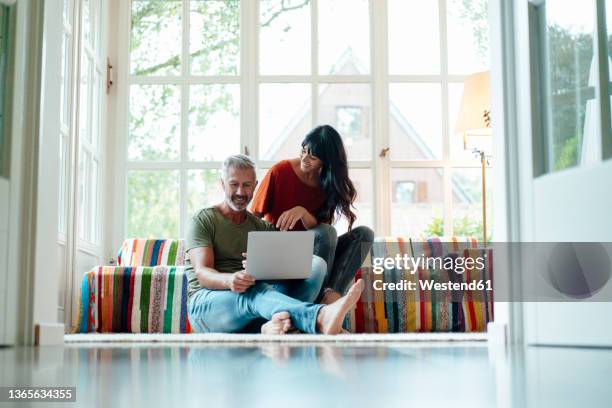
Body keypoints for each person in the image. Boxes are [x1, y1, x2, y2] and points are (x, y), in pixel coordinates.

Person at [186, 154, 364, 334]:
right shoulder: (204, 219)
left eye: (246, 185)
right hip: (207, 305)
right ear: (223, 185)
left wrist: (265, 268)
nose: (240, 192)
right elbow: (202, 273)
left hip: (254, 304)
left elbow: (285, 274)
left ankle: (272, 326)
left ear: (255, 186)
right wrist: (230, 280)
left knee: (316, 266)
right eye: (234, 184)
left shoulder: (261, 227)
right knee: (252, 292)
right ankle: (319, 318)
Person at [251, 125, 374, 304]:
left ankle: (330, 298)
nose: (304, 159)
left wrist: (302, 212)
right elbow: (253, 217)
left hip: (311, 254)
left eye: (313, 156)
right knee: (328, 232)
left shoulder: (328, 183)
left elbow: (322, 234)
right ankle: (317, 310)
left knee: (365, 234)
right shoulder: (280, 171)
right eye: (303, 151)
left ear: (327, 162)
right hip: (280, 252)